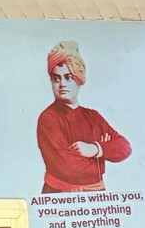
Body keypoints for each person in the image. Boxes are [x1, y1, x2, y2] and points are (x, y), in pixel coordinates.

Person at [36, 40, 131, 195]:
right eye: (56, 78)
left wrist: (94, 149)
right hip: (60, 196)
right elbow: (67, 167)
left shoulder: (93, 117)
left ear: (79, 79)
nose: (62, 84)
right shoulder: (48, 118)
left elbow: (124, 147)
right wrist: (102, 159)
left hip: (97, 195)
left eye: (68, 77)